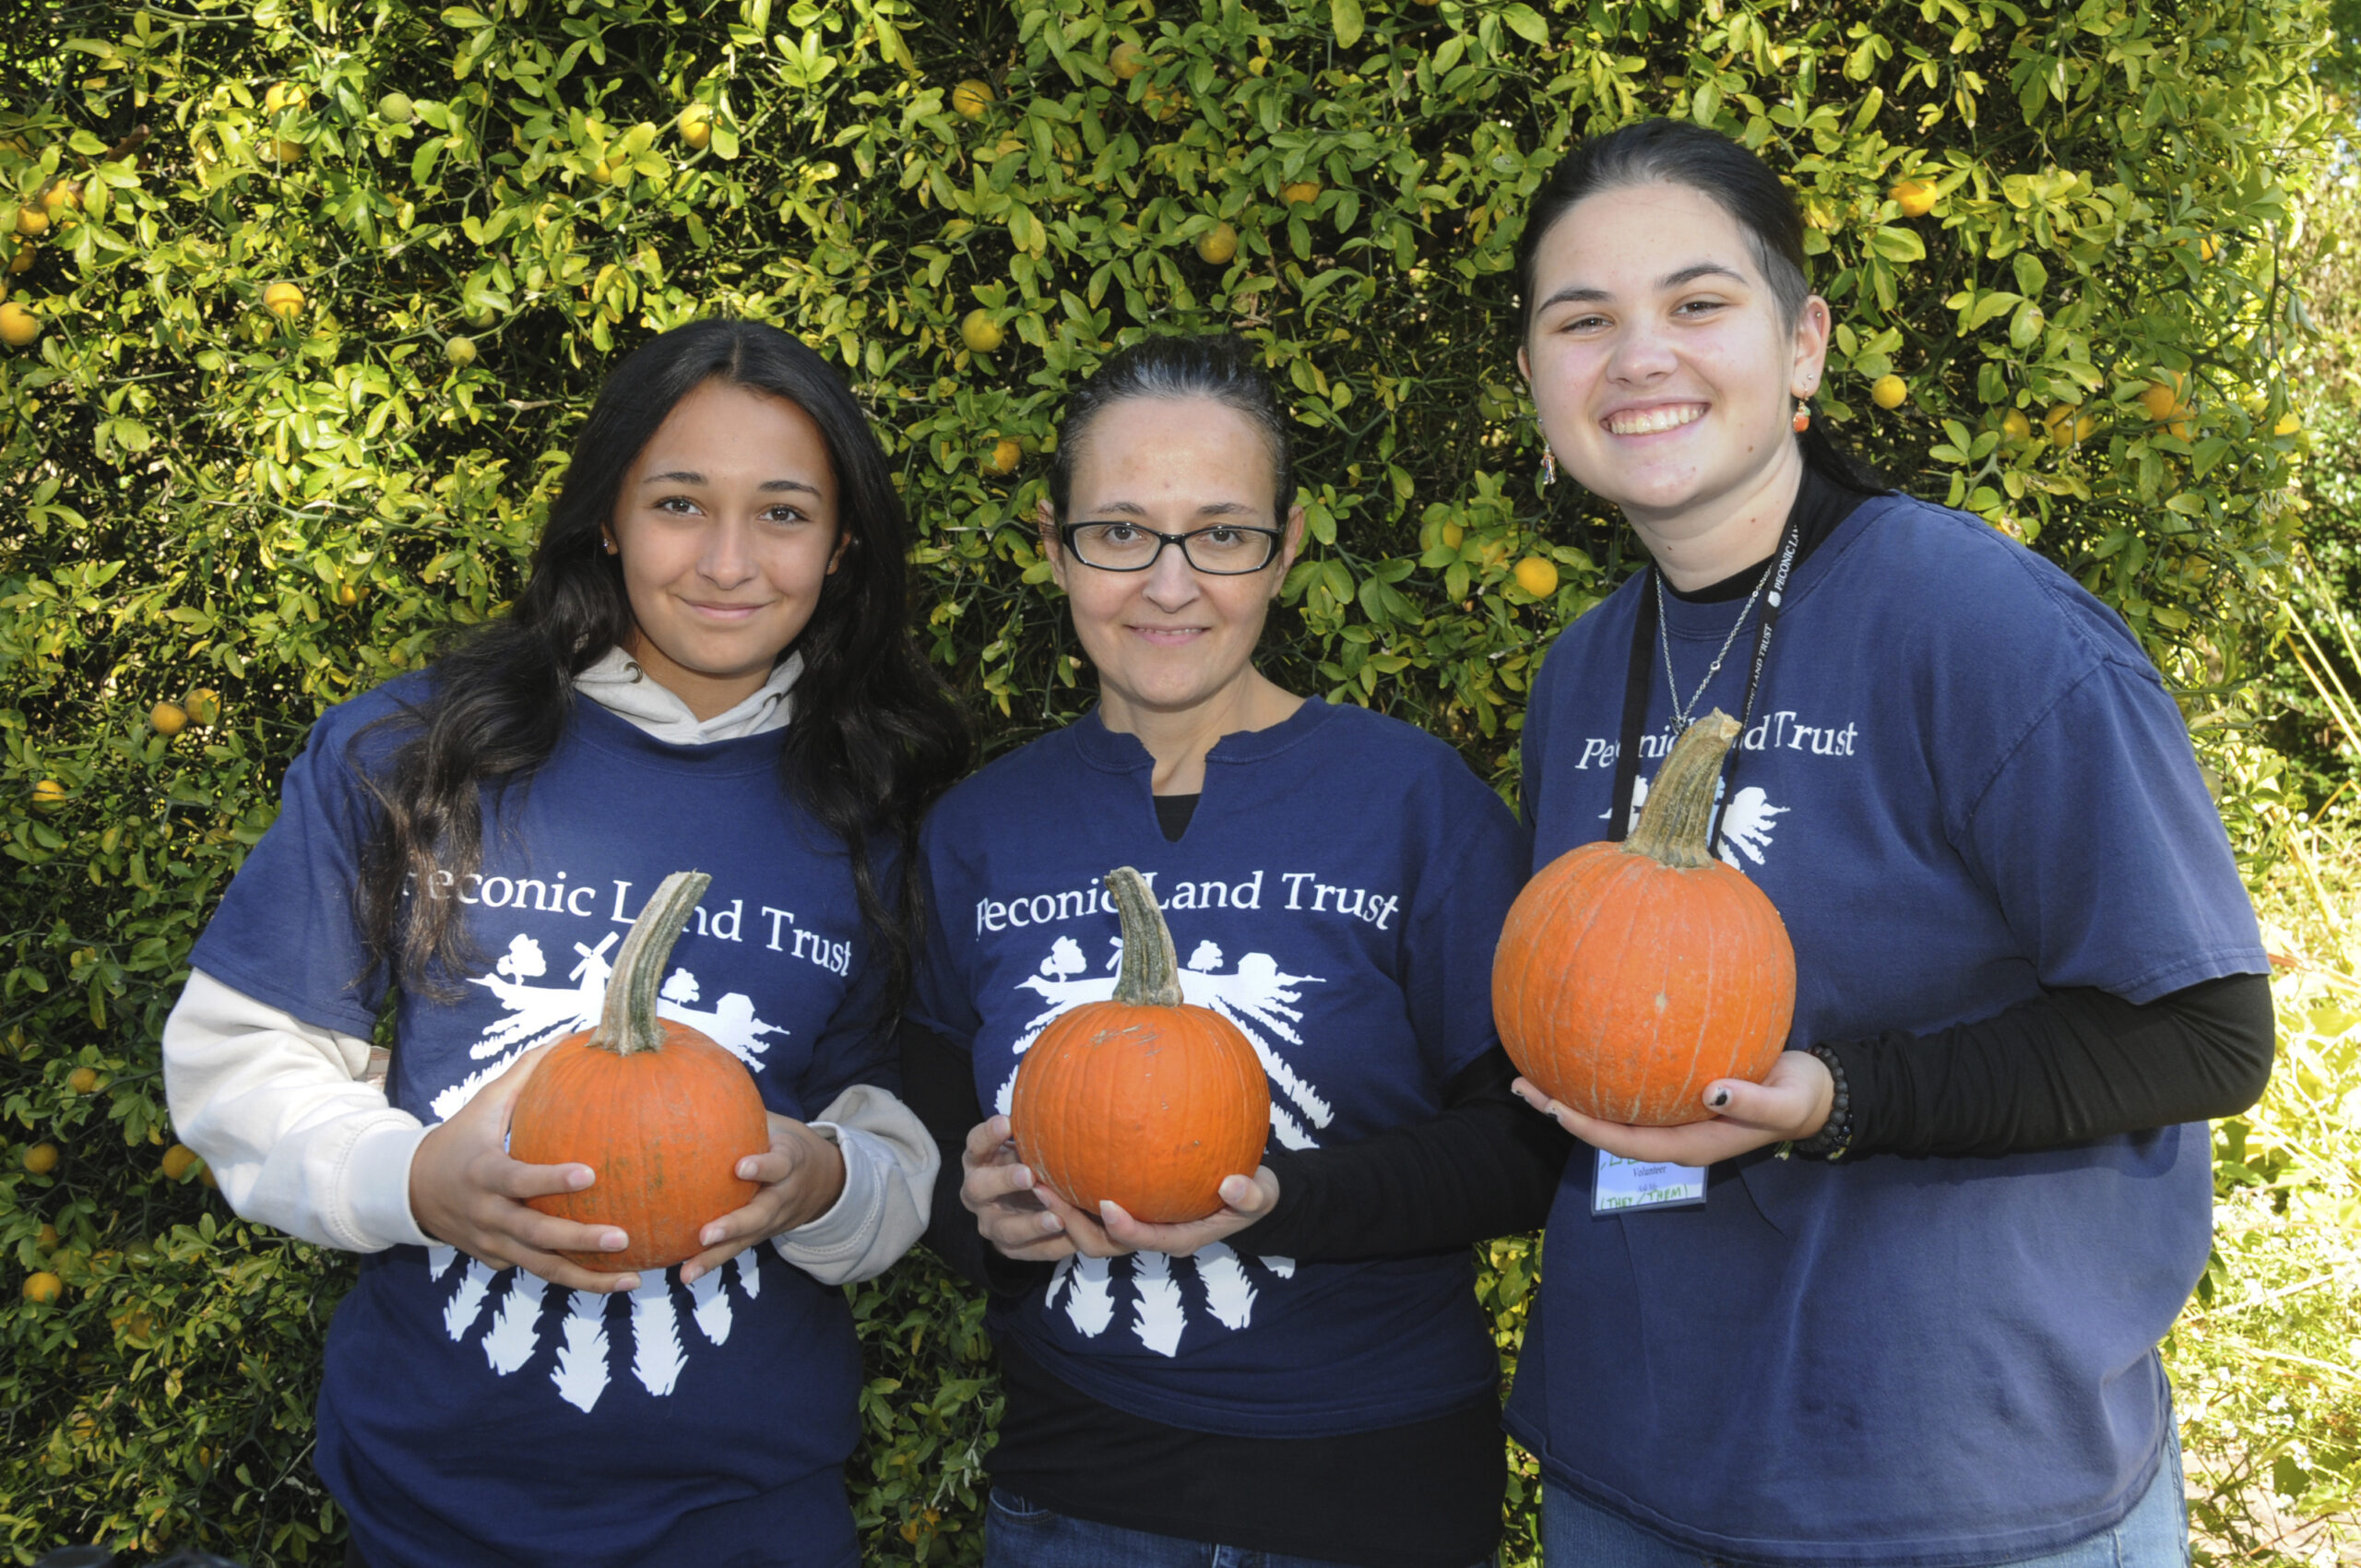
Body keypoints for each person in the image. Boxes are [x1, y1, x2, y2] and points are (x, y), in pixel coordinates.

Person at [1498, 119, 2275, 1566]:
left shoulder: (1981, 627)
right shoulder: (1581, 671)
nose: (1639, 355)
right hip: (1636, 1472)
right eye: (1582, 319)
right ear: (1538, 376)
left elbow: (2207, 1032)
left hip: (1957, 1487)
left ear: (1803, 346)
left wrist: (1837, 1096)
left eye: (1697, 303)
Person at [160, 319, 968, 1568]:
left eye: (786, 514)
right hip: (428, 1497)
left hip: (743, 1511)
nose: (728, 561)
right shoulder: (414, 753)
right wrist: (417, 1181)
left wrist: (827, 1181)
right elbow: (236, 1062)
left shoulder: (873, 806)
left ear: (844, 542)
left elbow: (893, 1139)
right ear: (606, 515)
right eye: (680, 504)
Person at [898, 334, 1566, 1568]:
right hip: (1078, 1500)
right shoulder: (980, 831)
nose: (1168, 583)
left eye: (1221, 533)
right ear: (1053, 543)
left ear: (1289, 544)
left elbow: (1526, 1148)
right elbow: (927, 1129)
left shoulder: (1413, 803)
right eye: (1119, 533)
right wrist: (977, 1211)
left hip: (1374, 1504)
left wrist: (1272, 1202)